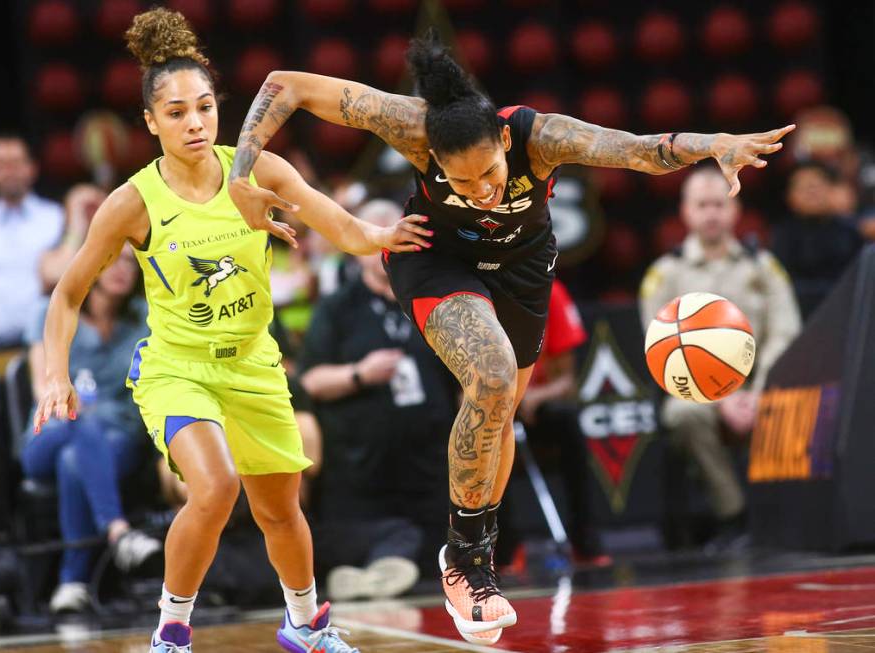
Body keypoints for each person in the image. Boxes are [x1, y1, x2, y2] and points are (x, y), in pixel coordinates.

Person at [227, 29, 794, 644]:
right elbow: (288, 85)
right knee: (491, 374)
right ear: (432, 157)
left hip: (523, 272)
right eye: (463, 183)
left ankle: (473, 557)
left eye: (490, 175)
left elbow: (634, 149)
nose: (483, 192)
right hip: (436, 259)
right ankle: (465, 560)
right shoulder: (411, 125)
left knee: (498, 413)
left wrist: (713, 144)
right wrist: (241, 170)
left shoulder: (539, 136)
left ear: (503, 141)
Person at [31, 9, 428, 653]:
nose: (195, 122)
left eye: (206, 108)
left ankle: (304, 623)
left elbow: (341, 226)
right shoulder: (133, 202)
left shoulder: (257, 171)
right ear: (151, 122)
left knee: (279, 511)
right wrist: (54, 374)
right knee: (215, 487)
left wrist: (385, 236)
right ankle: (171, 631)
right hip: (176, 369)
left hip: (252, 364)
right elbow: (68, 294)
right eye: (178, 112)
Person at [298, 199, 456, 601]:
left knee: (430, 568)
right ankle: (365, 576)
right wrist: (358, 375)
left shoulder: (430, 299)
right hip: (360, 470)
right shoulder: (337, 309)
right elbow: (311, 380)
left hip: (429, 466)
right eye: (379, 237)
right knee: (377, 547)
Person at [640, 166, 802, 553]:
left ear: (735, 211)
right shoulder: (665, 274)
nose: (711, 213)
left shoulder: (763, 266)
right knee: (682, 414)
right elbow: (664, 353)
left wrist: (760, 392)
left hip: (765, 384)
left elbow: (786, 331)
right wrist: (723, 398)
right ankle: (734, 516)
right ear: (686, 212)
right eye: (702, 205)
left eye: (719, 204)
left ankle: (791, 518)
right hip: (700, 393)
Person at [22, 244, 163, 613]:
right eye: (113, 259)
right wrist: (65, 399)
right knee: (77, 425)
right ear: (92, 264)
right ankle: (118, 531)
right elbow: (43, 384)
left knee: (75, 460)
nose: (122, 269)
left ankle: (73, 583)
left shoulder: (146, 318)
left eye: (131, 263)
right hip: (50, 431)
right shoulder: (51, 310)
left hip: (120, 437)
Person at [514, 279, 611, 568]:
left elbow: (567, 382)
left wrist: (534, 396)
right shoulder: (470, 292)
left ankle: (585, 539)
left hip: (536, 404)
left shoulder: (549, 290)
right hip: (488, 400)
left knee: (568, 421)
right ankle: (499, 547)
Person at [0, 134, 63, 362]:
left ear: (32, 168)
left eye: (16, 163)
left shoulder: (57, 219)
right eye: (1, 165)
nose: (9, 171)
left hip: (49, 348)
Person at [771, 161, 863, 319]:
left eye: (818, 185)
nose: (812, 192)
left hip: (847, 314)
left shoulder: (852, 232)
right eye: (804, 187)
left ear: (831, 191)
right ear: (790, 197)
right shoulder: (782, 235)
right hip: (796, 316)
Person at [39, 183, 108, 293]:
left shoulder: (121, 249)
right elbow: (54, 277)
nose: (92, 214)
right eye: (84, 209)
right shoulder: (52, 253)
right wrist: (77, 226)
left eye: (97, 207)